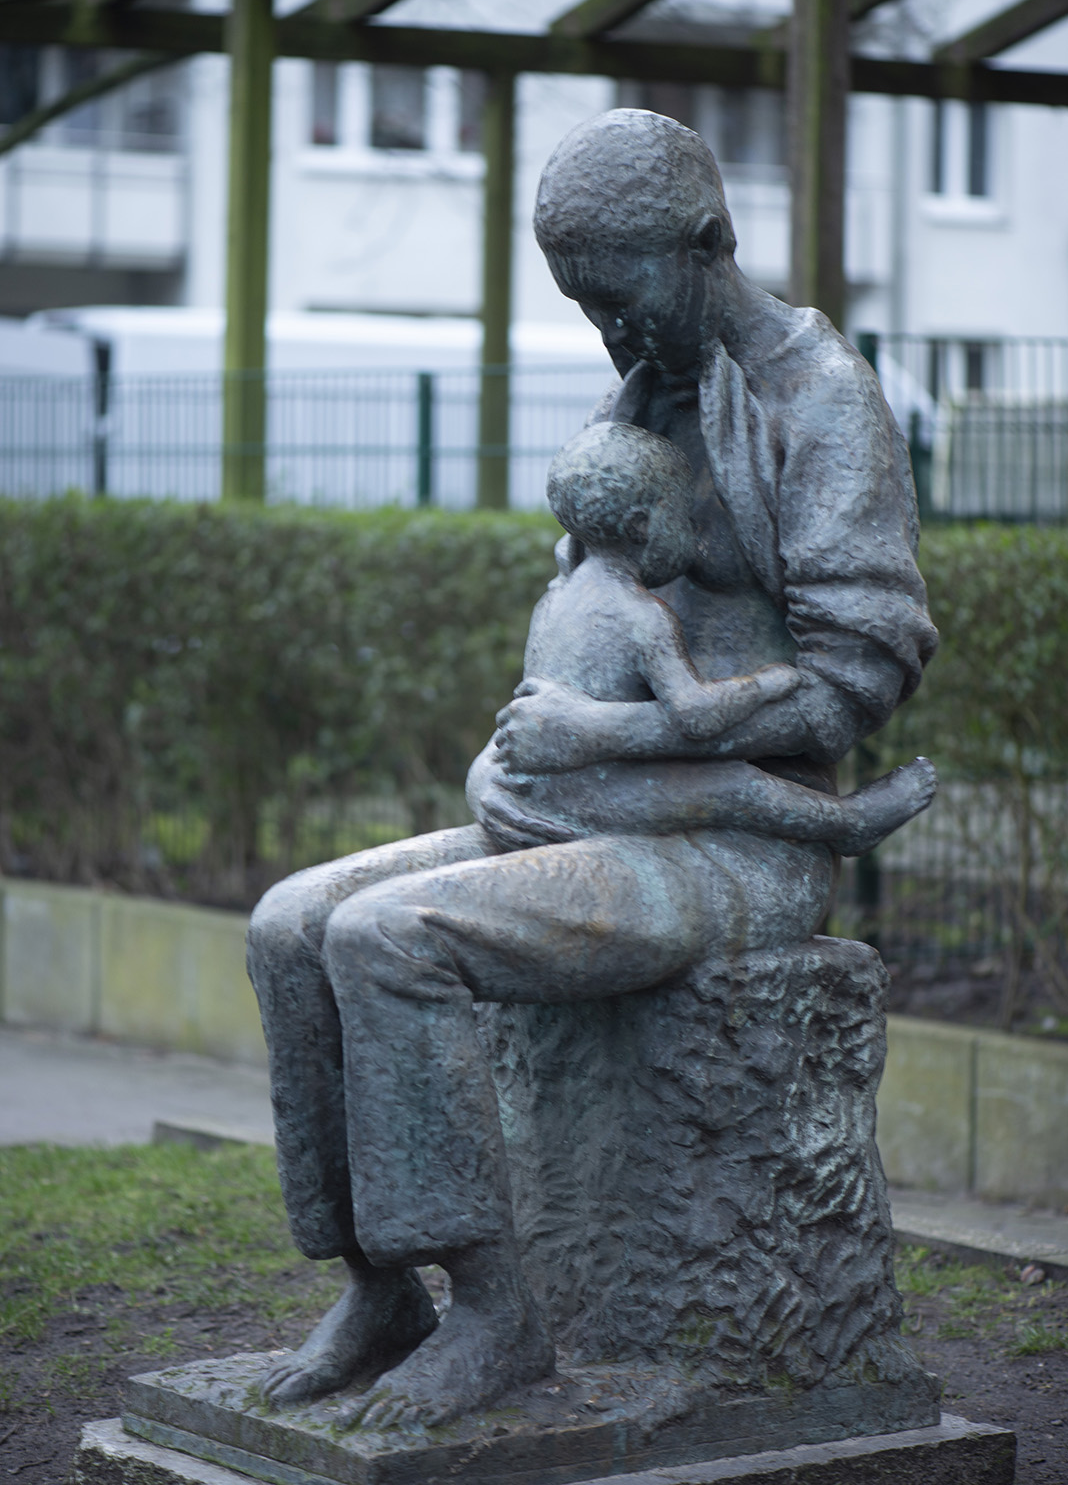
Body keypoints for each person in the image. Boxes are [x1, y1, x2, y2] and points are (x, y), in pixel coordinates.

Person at [246, 109, 939, 1433]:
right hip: (589, 818)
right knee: (291, 927)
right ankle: (383, 1287)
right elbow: (580, 644)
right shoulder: (643, 395)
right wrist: (520, 755)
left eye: (621, 305)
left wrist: (622, 740)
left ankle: (502, 1320)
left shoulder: (821, 402)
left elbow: (856, 684)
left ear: (707, 244)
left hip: (739, 853)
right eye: (586, 313)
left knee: (394, 939)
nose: (610, 340)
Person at [528, 418, 936, 856]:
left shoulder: (553, 602)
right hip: (598, 792)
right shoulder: (644, 616)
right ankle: (851, 822)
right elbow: (695, 716)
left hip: (542, 781)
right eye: (684, 515)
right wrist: (765, 684)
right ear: (640, 526)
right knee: (737, 786)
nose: (695, 532)